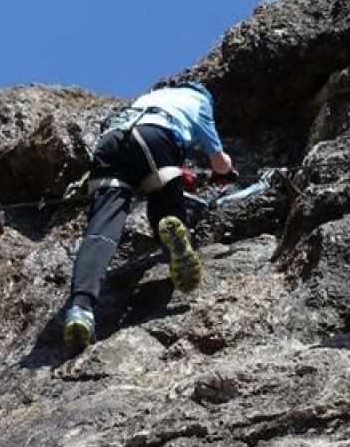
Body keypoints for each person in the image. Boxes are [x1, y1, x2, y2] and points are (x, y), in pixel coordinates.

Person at [61, 81, 236, 350]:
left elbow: (131, 143)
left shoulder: (150, 96)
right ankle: (172, 229)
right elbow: (218, 160)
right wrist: (225, 172)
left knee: (100, 231)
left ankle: (80, 309)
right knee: (165, 193)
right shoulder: (200, 101)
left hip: (111, 142)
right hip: (155, 135)